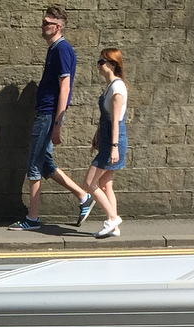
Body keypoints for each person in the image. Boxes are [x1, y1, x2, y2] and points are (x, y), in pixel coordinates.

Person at [8, 7, 94, 231]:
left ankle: (33, 219)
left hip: (48, 114)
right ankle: (83, 197)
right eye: (43, 21)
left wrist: (57, 124)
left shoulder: (62, 50)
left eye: (47, 22)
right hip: (45, 114)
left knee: (33, 166)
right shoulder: (54, 50)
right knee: (45, 165)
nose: (42, 25)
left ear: (58, 26)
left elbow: (65, 88)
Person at [84, 48, 129, 238]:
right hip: (107, 139)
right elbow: (106, 117)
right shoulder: (110, 86)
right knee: (106, 183)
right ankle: (115, 227)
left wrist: (113, 147)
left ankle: (112, 218)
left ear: (111, 64)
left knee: (88, 183)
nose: (98, 64)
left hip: (113, 141)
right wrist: (97, 134)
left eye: (102, 61)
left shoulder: (117, 89)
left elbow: (116, 121)